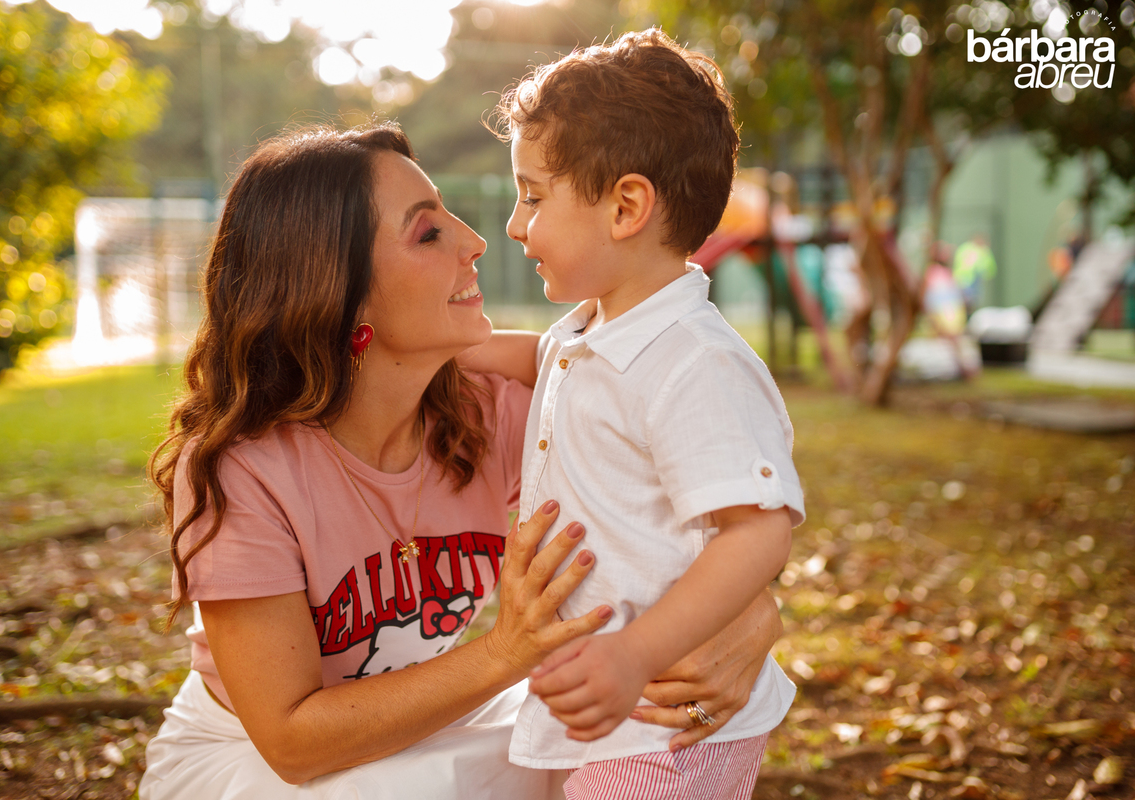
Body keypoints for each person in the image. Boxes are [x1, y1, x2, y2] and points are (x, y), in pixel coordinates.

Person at [138, 122, 786, 799]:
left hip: (441, 720)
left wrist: (752, 615)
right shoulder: (245, 469)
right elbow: (293, 743)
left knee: (618, 728)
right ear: (336, 290)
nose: (477, 241)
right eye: (427, 233)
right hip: (257, 759)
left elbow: (712, 459)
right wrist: (508, 651)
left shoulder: (490, 413)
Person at [484, 30, 806, 799]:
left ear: (627, 205)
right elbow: (552, 365)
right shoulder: (597, 326)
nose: (515, 224)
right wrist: (454, 352)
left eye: (533, 195)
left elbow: (759, 530)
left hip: (668, 724)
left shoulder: (697, 362)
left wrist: (634, 656)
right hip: (597, 709)